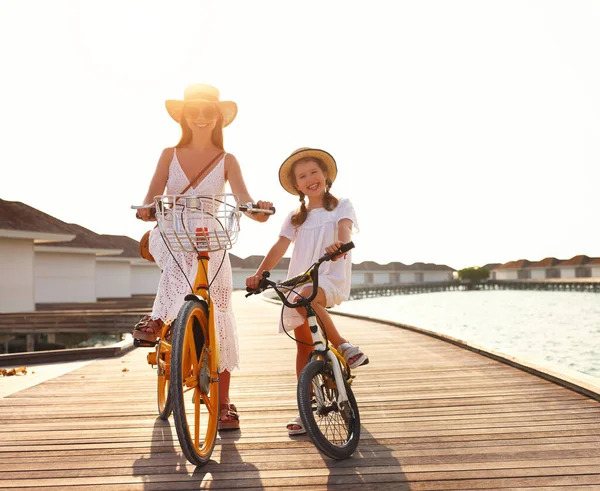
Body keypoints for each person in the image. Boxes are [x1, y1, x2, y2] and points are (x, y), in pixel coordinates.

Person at [134, 83, 273, 430]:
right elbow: (152, 196)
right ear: (182, 116)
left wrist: (259, 211)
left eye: (206, 112)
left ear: (217, 118)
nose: (199, 117)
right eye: (192, 111)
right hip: (171, 233)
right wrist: (147, 211)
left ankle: (224, 403)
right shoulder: (169, 154)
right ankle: (160, 320)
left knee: (221, 313)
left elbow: (244, 200)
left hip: (212, 236)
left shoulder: (228, 160)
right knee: (182, 261)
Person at [245, 147, 368, 436]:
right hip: (299, 281)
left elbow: (345, 230)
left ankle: (343, 344)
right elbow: (279, 246)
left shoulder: (341, 206)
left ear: (326, 176)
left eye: (314, 172)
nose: (310, 178)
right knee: (303, 347)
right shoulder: (295, 217)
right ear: (297, 186)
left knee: (304, 298)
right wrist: (259, 273)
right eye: (302, 176)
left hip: (329, 274)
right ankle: (305, 408)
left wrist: (340, 246)